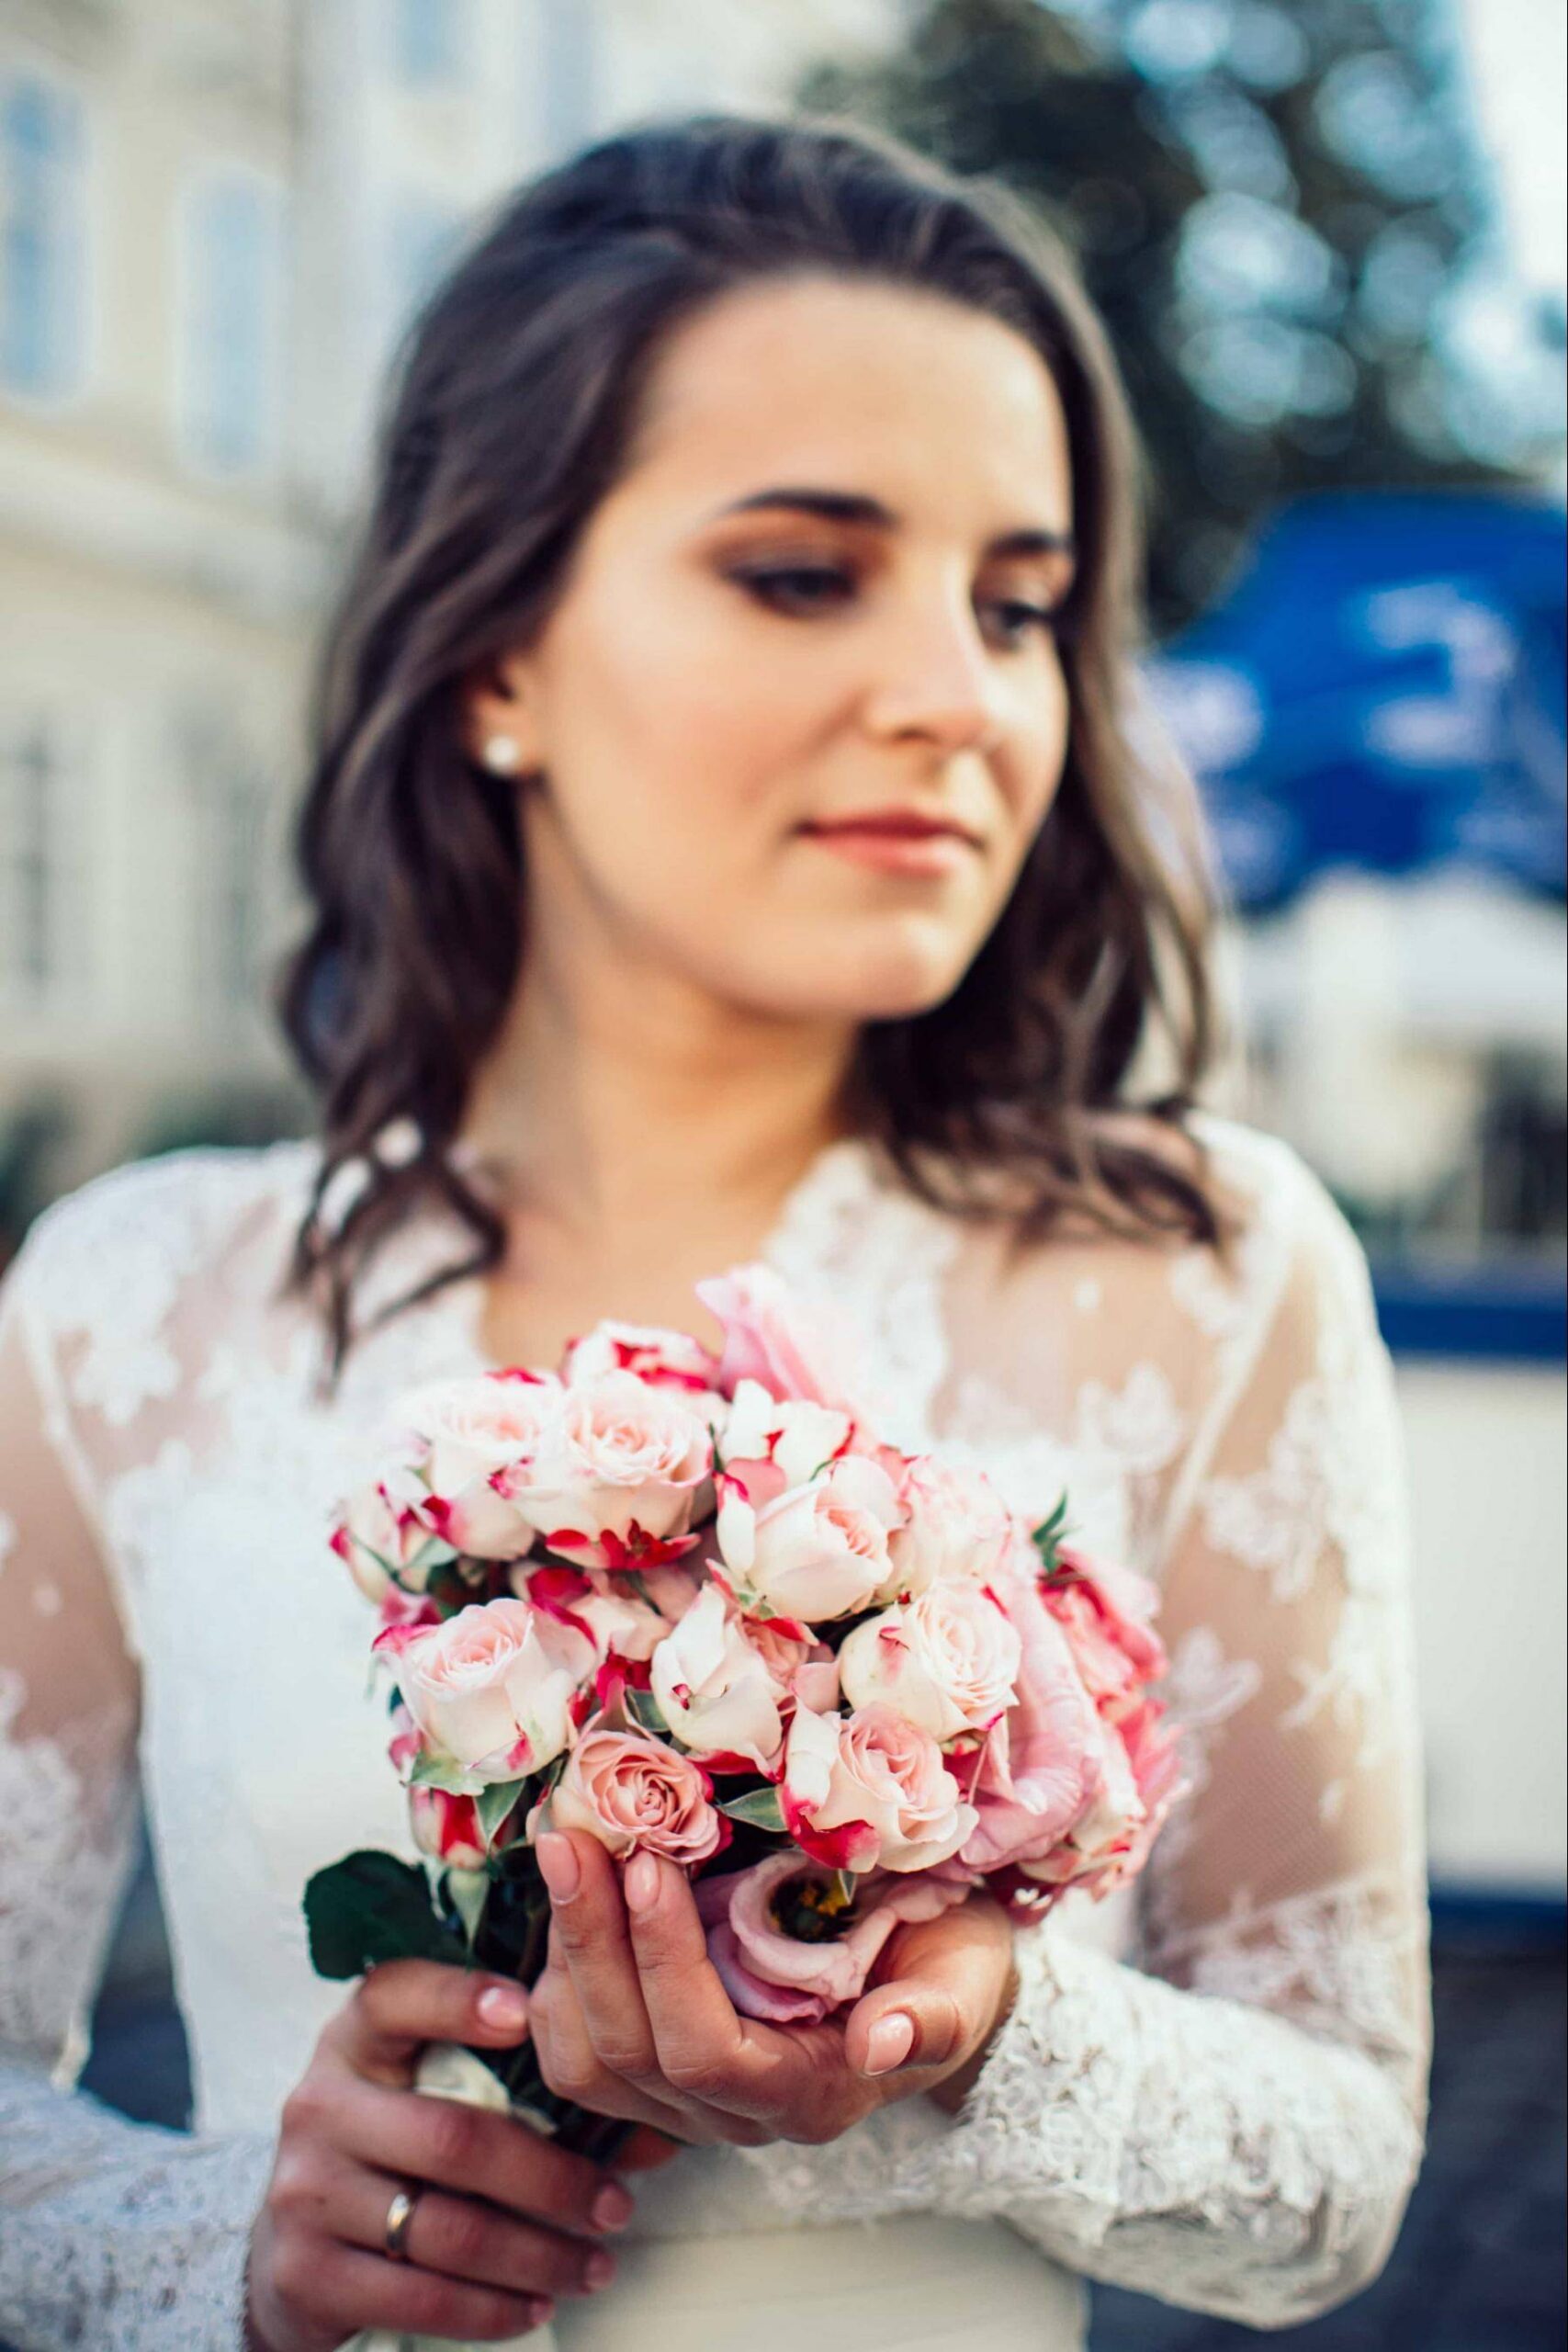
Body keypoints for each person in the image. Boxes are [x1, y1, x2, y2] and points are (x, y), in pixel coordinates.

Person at [0, 114, 1428, 2352]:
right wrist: (226, 2243)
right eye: (798, 570)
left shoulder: (1204, 1269)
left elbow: (1335, 2171)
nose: (960, 693)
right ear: (493, 655)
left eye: (1021, 604)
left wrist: (980, 2037)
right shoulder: (126, 1306)